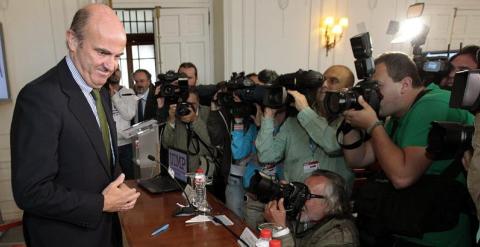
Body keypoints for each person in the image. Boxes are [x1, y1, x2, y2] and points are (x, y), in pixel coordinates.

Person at [10, 4, 141, 247]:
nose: (111, 66)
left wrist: (119, 189)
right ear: (72, 40)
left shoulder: (98, 89)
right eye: (102, 52)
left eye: (117, 56)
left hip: (106, 232)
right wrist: (101, 204)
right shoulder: (38, 97)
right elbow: (30, 192)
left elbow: (100, 157)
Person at [342, 52, 473, 246]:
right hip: (411, 228)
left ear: (404, 84)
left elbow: (402, 177)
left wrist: (372, 125)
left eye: (378, 87)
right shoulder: (399, 115)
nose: (373, 94)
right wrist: (350, 121)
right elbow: (358, 158)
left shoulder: (431, 105)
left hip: (440, 236)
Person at [255, 66, 355, 189]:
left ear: (348, 90)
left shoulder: (351, 120)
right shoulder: (294, 121)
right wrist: (269, 113)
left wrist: (304, 110)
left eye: (333, 81)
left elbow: (333, 144)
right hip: (295, 201)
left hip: (332, 204)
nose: (324, 84)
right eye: (322, 80)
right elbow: (266, 156)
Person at [264, 169, 360, 247]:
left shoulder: (340, 237)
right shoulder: (306, 219)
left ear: (331, 204)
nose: (300, 200)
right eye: (301, 193)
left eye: (307, 195)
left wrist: (281, 230)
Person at [162, 87, 215, 176]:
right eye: (185, 104)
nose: (188, 107)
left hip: (202, 172)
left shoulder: (209, 113)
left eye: (192, 104)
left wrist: (195, 120)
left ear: (198, 102)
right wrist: (171, 120)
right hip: (180, 172)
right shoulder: (177, 114)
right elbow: (166, 144)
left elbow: (212, 142)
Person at [108, 68, 137, 179]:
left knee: (128, 175)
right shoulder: (101, 92)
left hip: (125, 143)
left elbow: (129, 115)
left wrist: (114, 97)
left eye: (117, 70)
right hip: (109, 143)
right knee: (112, 177)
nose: (114, 73)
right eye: (112, 71)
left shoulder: (129, 92)